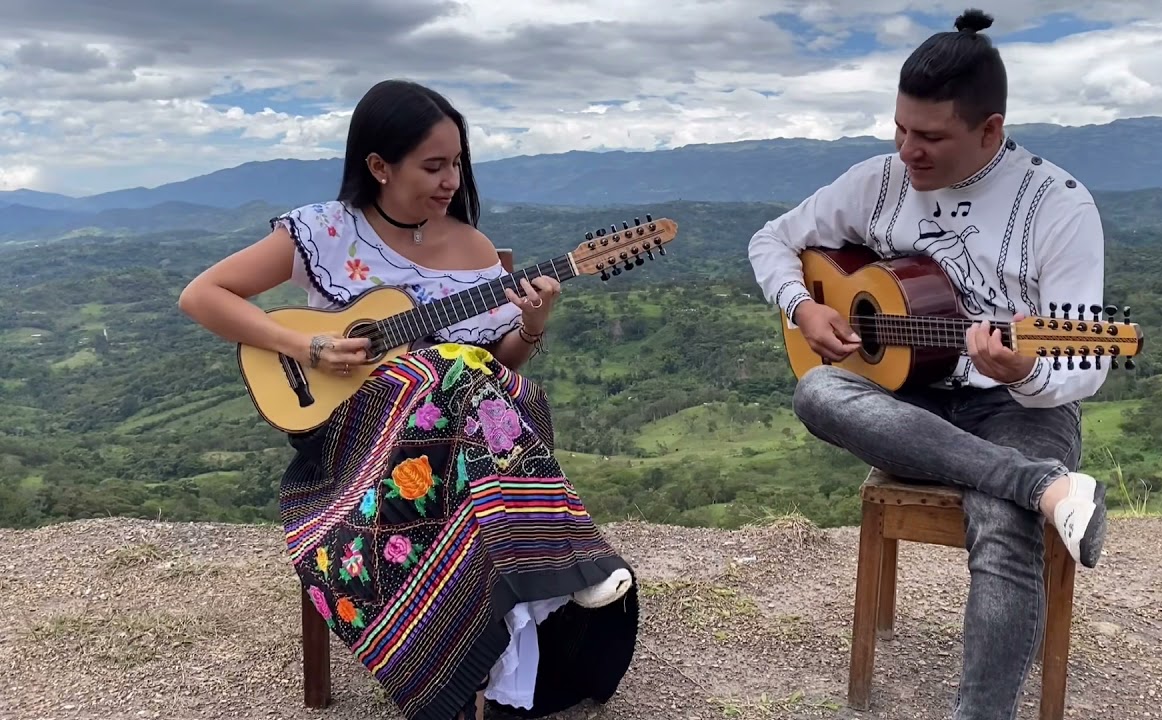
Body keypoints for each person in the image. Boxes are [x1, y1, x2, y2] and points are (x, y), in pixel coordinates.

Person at [178, 79, 638, 720]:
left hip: (449, 432)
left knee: (462, 373)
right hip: (350, 431)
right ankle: (559, 556)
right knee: (445, 373)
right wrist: (304, 347)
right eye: (433, 165)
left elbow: (498, 363)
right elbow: (202, 296)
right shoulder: (324, 230)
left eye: (456, 163)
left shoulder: (474, 251)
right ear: (379, 166)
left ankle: (520, 596)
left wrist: (531, 325)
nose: (451, 179)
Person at [747, 9, 1109, 719]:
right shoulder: (879, 180)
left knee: (1001, 527)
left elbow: (1085, 363)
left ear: (991, 131)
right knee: (818, 391)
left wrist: (1023, 373)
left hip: (1019, 405)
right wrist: (802, 307)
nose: (908, 151)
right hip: (914, 399)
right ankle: (1042, 486)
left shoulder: (1058, 207)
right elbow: (772, 240)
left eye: (931, 137)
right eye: (901, 129)